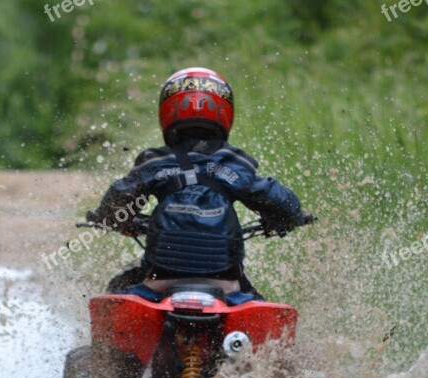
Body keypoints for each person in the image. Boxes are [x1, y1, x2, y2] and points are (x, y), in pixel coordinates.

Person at [87, 67, 313, 305]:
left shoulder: (155, 162)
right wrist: (291, 216)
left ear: (167, 112)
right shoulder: (234, 163)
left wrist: (111, 218)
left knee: (116, 293)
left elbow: (121, 195)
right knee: (258, 311)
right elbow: (273, 196)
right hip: (226, 284)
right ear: (225, 113)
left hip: (159, 279)